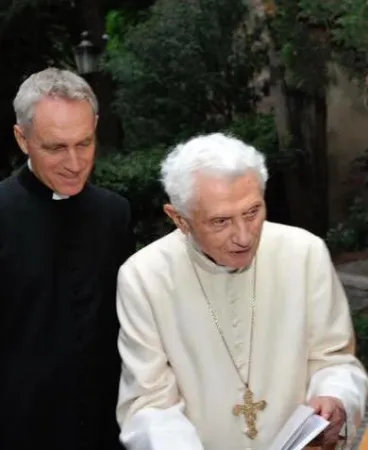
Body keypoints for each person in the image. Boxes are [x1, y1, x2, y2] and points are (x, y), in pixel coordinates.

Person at [115, 132, 367, 450]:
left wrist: (336, 397)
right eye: (221, 221)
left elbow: (334, 359)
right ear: (179, 219)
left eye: (252, 212)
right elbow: (149, 404)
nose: (244, 237)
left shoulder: (305, 253)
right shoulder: (143, 278)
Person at [0, 68, 134, 450]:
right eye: (56, 147)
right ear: (22, 139)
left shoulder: (115, 214)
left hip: (106, 430)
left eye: (85, 143)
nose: (75, 163)